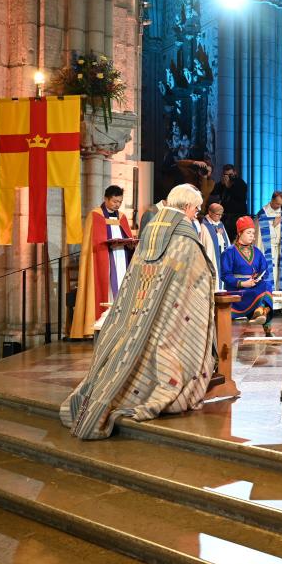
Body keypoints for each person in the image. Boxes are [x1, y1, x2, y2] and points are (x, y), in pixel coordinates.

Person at [59, 184, 217, 440]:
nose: (195, 215)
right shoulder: (184, 235)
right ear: (188, 206)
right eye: (196, 209)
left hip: (140, 311)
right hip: (169, 318)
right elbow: (195, 276)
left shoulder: (153, 227)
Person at [71, 185, 137, 340]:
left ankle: (121, 324)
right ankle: (102, 324)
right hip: (103, 259)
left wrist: (130, 243)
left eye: (119, 202)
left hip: (121, 257)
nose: (117, 205)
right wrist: (107, 245)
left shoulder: (121, 217)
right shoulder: (95, 215)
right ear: (106, 199)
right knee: (105, 289)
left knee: (121, 286)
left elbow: (126, 234)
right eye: (114, 201)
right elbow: (93, 242)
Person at [220, 216, 274, 336]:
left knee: (266, 284)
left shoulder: (257, 251)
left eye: (253, 233)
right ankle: (262, 315)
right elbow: (225, 275)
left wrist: (257, 278)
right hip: (237, 288)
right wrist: (243, 283)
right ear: (240, 233)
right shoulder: (229, 252)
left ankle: (260, 312)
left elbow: (265, 270)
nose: (252, 236)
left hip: (253, 285)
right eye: (248, 232)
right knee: (262, 292)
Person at [256, 191, 282, 292]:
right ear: (272, 200)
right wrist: (273, 226)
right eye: (277, 204)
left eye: (281, 204)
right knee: (268, 273)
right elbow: (260, 235)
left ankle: (279, 303)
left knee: (278, 273)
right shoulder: (263, 214)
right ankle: (267, 300)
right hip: (267, 250)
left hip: (279, 250)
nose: (278, 206)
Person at [210, 164, 248, 234]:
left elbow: (240, 197)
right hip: (224, 216)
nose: (228, 177)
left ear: (235, 173)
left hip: (237, 216)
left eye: (230, 175)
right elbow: (213, 193)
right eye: (226, 175)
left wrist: (228, 186)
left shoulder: (240, 183)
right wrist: (221, 183)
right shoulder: (222, 184)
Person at [201, 203, 231, 290]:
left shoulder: (220, 224)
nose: (220, 217)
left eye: (221, 214)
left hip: (221, 257)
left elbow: (226, 242)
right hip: (213, 258)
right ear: (210, 212)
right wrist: (217, 235)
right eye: (217, 214)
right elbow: (207, 244)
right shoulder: (204, 226)